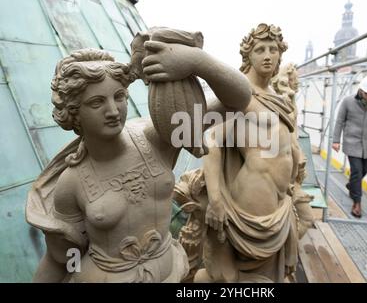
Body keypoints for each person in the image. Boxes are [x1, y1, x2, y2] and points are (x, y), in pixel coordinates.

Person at [26, 34, 252, 283]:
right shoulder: (71, 183)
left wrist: (197, 61)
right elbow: (61, 259)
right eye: (97, 102)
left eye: (119, 97)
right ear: (73, 112)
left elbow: (238, 101)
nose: (113, 111)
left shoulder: (157, 139)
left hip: (170, 273)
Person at [195, 24, 308, 283]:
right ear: (248, 56)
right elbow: (212, 141)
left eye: (273, 49)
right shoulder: (239, 93)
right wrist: (215, 200)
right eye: (260, 50)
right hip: (253, 198)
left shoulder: (275, 96)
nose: (268, 55)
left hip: (279, 198)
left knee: (266, 277)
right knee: (247, 278)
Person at [332, 75, 367, 218]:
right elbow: (339, 121)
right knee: (357, 171)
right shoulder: (348, 101)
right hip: (352, 142)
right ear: (361, 90)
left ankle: (352, 185)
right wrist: (336, 140)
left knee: (364, 170)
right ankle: (357, 203)